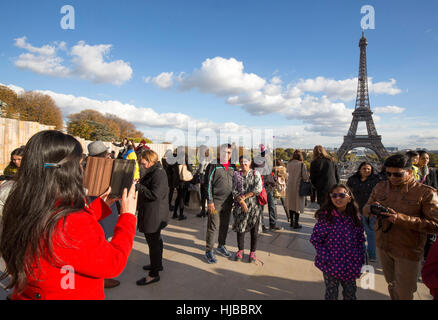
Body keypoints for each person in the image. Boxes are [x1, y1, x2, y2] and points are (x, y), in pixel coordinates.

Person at [0, 130, 138, 300]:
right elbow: (112, 263)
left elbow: (60, 235)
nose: (82, 169)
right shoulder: (70, 221)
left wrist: (100, 206)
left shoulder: (22, 202)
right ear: (68, 169)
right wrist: (127, 217)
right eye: (80, 163)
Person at [363, 154, 438, 300]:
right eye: (388, 173)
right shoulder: (380, 187)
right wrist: (372, 209)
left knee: (404, 292)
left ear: (410, 172)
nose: (391, 177)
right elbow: (366, 207)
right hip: (383, 245)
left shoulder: (426, 192)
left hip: (407, 250)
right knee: (391, 284)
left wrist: (400, 219)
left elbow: (435, 225)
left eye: (397, 174)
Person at [310, 184, 365, 300]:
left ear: (349, 197)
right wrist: (326, 257)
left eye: (341, 195)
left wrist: (359, 257)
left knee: (350, 293)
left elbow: (360, 239)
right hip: (331, 264)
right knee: (331, 294)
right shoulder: (326, 217)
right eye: (334, 195)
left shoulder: (355, 218)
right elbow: (316, 239)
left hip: (351, 264)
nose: (338, 198)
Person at [87, 140, 121, 289]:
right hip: (102, 208)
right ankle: (102, 278)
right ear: (104, 154)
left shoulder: (84, 166)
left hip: (91, 208)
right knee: (103, 243)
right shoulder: (105, 168)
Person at [135, 149, 169, 286]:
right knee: (156, 241)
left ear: (150, 161)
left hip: (154, 215)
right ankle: (157, 264)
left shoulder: (158, 173)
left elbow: (155, 194)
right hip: (153, 213)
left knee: (153, 244)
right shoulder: (154, 170)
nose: (141, 165)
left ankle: (154, 275)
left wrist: (138, 186)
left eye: (143, 163)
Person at [204, 144, 236, 263]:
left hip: (228, 203)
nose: (226, 154)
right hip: (216, 203)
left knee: (225, 225)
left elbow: (237, 183)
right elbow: (207, 184)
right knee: (213, 226)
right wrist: (210, 201)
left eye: (229, 152)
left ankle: (221, 245)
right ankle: (209, 251)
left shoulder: (233, 166)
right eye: (224, 152)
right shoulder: (213, 165)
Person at [346, 161, 381, 262]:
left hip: (371, 211)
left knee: (371, 233)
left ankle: (372, 254)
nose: (366, 171)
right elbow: (348, 194)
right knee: (358, 233)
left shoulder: (376, 180)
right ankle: (361, 252)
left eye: (368, 169)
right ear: (360, 169)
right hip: (356, 210)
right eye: (364, 169)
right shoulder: (353, 180)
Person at [232, 155, 263, 263]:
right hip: (240, 207)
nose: (243, 164)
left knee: (254, 231)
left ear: (250, 163)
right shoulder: (236, 175)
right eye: (241, 162)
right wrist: (241, 202)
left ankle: (252, 252)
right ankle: (240, 250)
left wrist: (244, 197)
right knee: (241, 229)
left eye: (246, 162)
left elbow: (258, 189)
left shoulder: (255, 174)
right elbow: (234, 190)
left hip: (254, 207)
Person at [254, 145, 281, 231]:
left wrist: (274, 179)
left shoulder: (266, 160)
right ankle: (262, 225)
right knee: (262, 206)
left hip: (269, 185)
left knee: (272, 206)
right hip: (262, 186)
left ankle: (272, 224)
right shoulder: (257, 160)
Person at [417, 150, 438, 261]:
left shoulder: (431, 171)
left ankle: (426, 258)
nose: (426, 160)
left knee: (430, 233)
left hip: (429, 206)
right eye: (423, 158)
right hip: (417, 205)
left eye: (427, 158)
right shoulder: (412, 172)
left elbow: (435, 187)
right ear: (417, 159)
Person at [286, 150, 309, 229]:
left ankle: (291, 222)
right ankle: (296, 223)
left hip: (289, 186)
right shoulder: (302, 164)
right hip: (298, 187)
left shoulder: (289, 164)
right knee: (297, 206)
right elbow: (305, 177)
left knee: (291, 204)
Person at [172, 146, 193, 221]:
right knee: (182, 198)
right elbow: (190, 168)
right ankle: (181, 214)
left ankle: (174, 213)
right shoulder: (185, 156)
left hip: (177, 180)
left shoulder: (174, 157)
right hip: (184, 180)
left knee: (178, 196)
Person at [196, 145, 211, 218]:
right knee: (208, 196)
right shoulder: (210, 159)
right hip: (209, 180)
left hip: (203, 180)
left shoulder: (202, 160)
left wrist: (197, 171)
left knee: (203, 197)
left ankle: (203, 211)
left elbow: (200, 171)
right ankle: (209, 211)